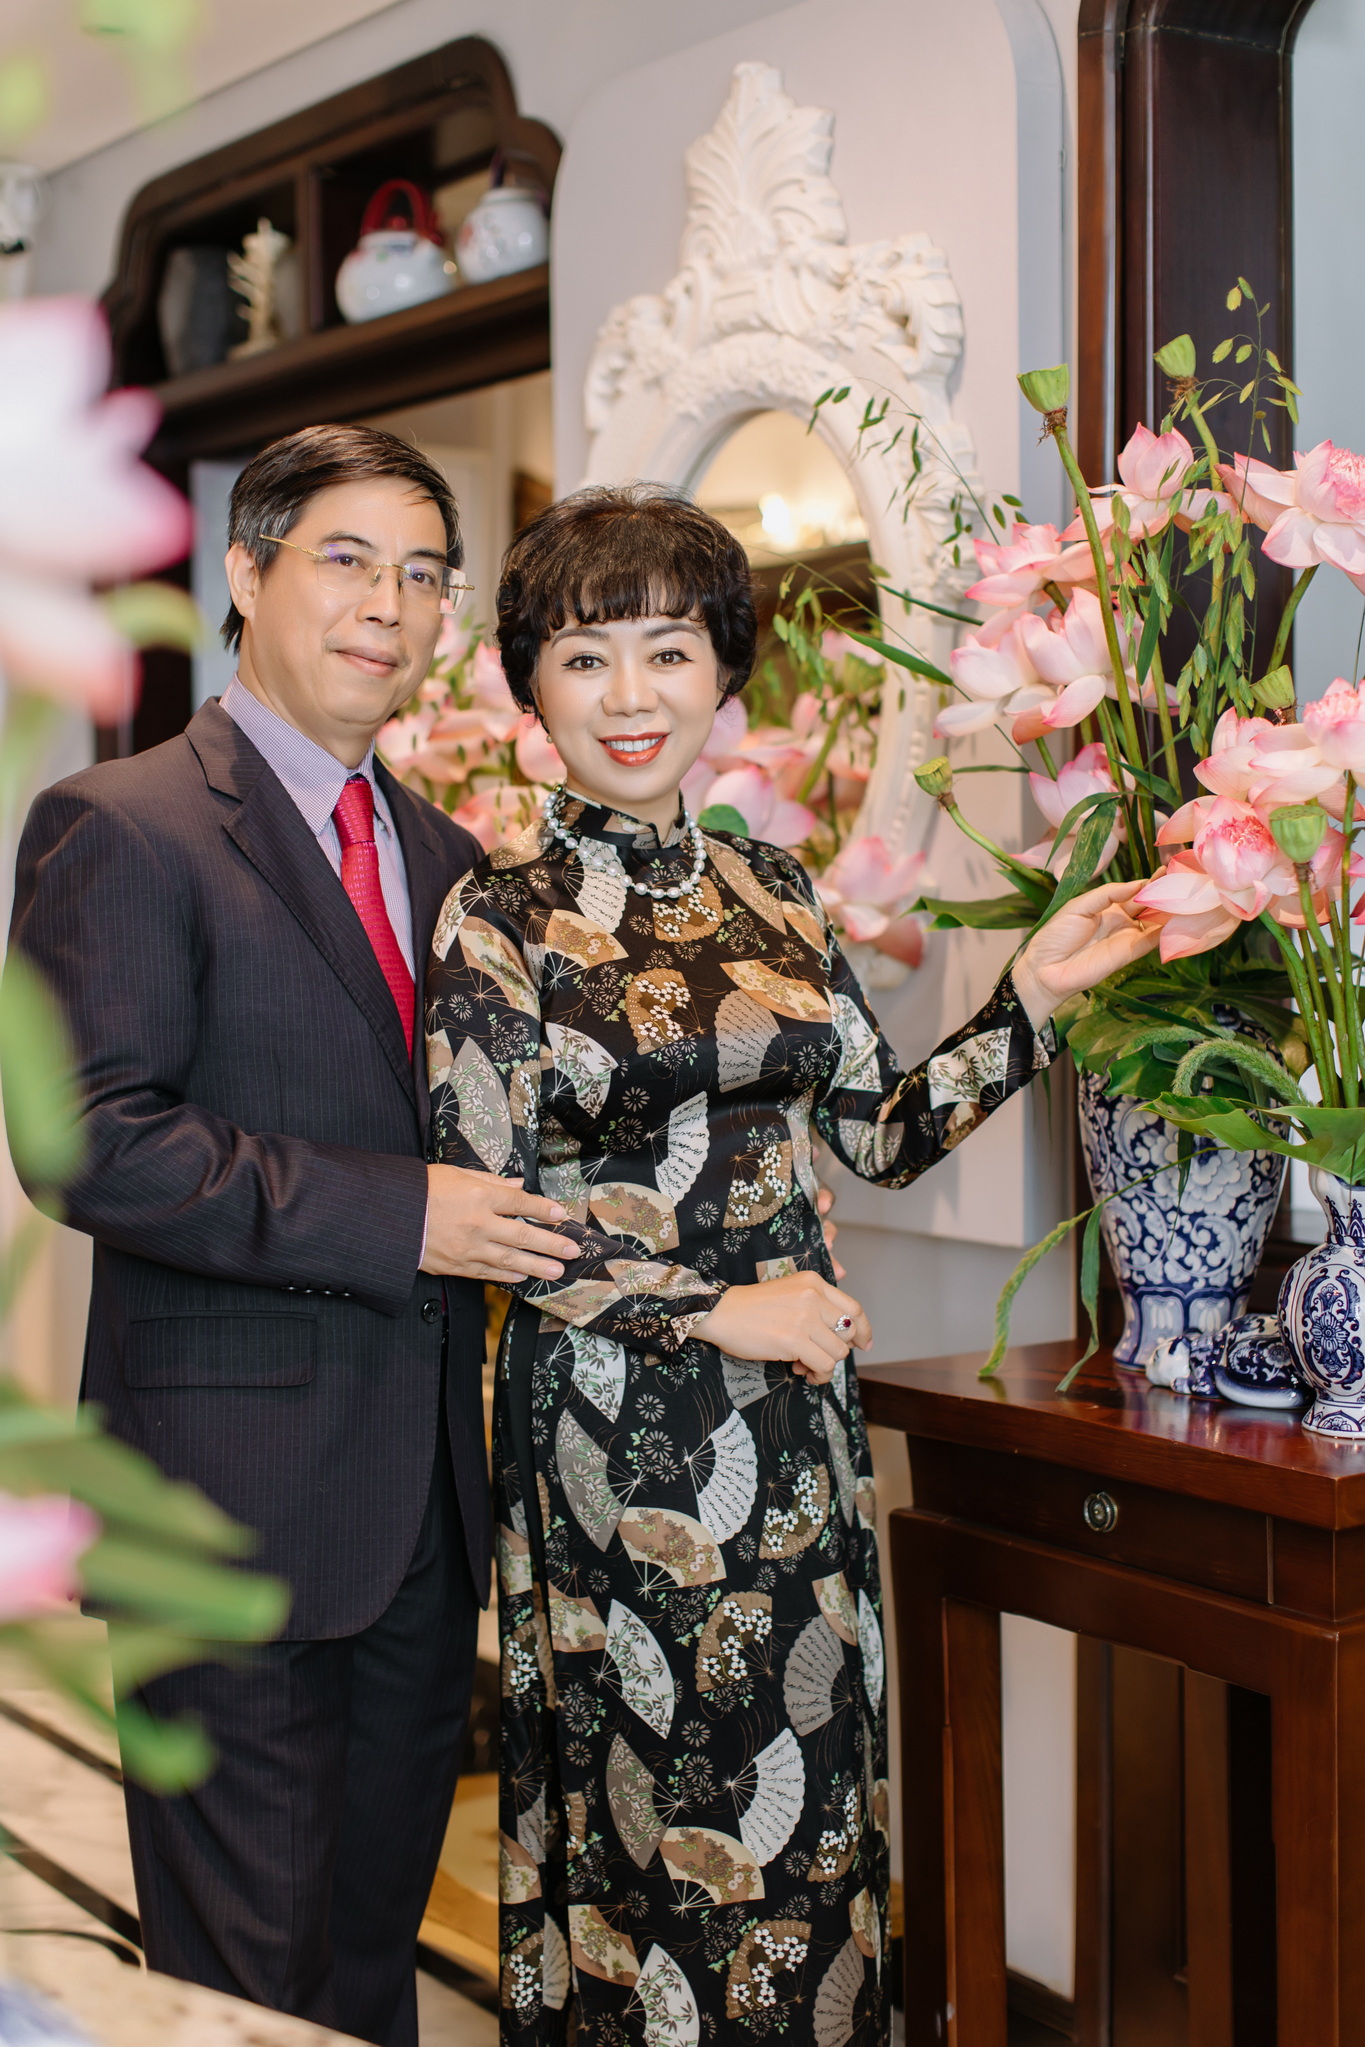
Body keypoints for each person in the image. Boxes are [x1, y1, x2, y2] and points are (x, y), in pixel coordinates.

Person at [424, 483, 1158, 2046]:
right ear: (530, 686)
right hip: (611, 1425)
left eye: (667, 650)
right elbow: (490, 1221)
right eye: (584, 657)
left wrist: (1031, 1001)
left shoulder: (778, 892)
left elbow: (875, 1139)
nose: (630, 694)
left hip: (792, 1411)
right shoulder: (498, 919)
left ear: (721, 669)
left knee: (813, 1790)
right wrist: (722, 1310)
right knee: (664, 1807)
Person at [8, 424, 582, 2047]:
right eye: (346, 560)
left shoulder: (452, 861)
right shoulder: (118, 822)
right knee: (240, 1986)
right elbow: (87, 1139)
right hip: (222, 1507)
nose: (387, 606)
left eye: (423, 575)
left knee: (365, 1965)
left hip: (419, 1518)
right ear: (246, 574)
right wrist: (406, 1216)